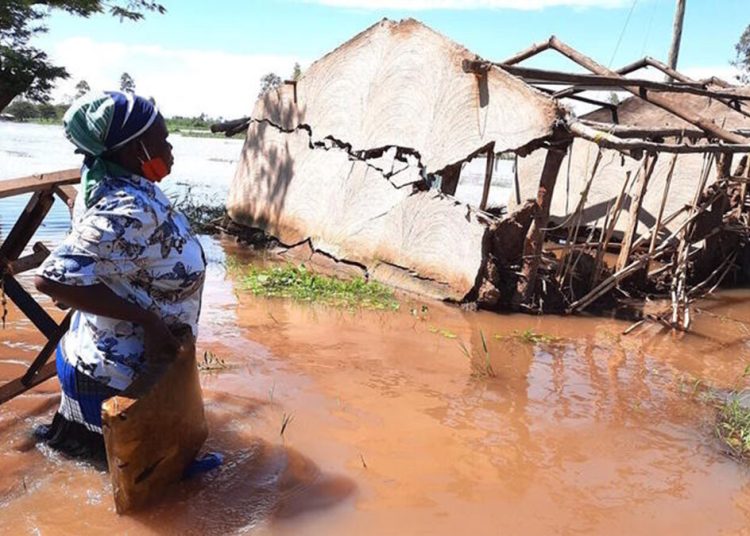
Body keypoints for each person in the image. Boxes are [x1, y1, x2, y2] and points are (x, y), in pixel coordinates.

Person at [34, 91, 206, 461]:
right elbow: (52, 279)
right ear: (135, 150)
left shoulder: (109, 181)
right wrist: (149, 321)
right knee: (136, 485)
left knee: (85, 459)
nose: (171, 146)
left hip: (103, 361)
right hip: (116, 378)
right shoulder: (126, 207)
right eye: (163, 138)